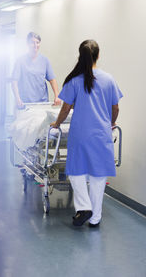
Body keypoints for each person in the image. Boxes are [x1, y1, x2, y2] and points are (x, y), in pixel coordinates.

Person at [50, 40, 123, 227]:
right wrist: (111, 122)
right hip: (101, 134)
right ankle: (95, 218)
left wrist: (57, 124)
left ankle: (83, 207)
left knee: (76, 172)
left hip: (80, 135)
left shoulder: (74, 80)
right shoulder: (108, 79)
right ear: (98, 55)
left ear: (80, 56)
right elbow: (115, 108)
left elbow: (66, 109)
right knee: (98, 177)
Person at [11, 32, 61, 108]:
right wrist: (17, 98)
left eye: (37, 43)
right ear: (27, 44)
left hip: (42, 103)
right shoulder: (20, 61)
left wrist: (57, 96)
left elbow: (52, 80)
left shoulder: (44, 60)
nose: (35, 45)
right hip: (25, 104)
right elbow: (14, 82)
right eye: (32, 43)